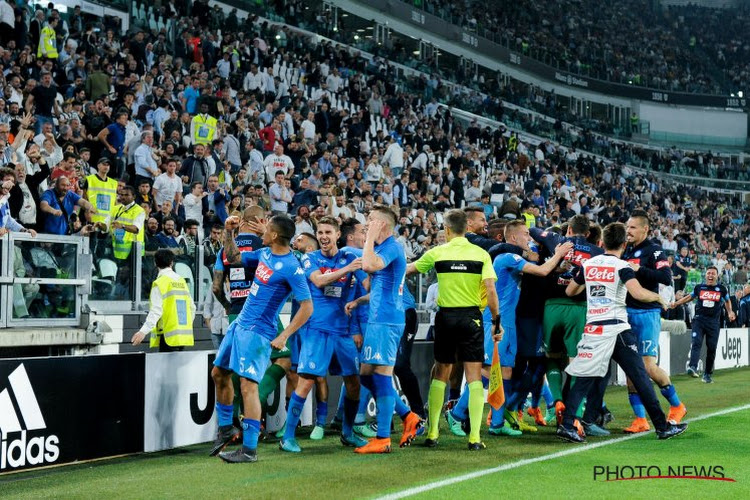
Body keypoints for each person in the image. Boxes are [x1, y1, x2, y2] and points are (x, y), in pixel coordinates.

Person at [558, 222, 688, 442]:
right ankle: (661, 426)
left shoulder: (589, 264)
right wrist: (657, 297)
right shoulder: (622, 266)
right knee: (640, 377)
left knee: (584, 378)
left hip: (594, 327)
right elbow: (637, 293)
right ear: (623, 243)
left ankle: (568, 425)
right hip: (617, 327)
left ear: (602, 243)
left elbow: (571, 290)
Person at [446, 221, 572, 437]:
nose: (529, 239)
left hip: (509, 324)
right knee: (486, 372)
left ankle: (497, 424)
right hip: (495, 321)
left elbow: (542, 267)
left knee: (505, 372)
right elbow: (542, 271)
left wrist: (559, 264)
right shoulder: (507, 258)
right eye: (525, 235)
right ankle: (456, 414)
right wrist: (559, 252)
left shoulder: (516, 258)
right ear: (513, 238)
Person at [210, 214, 312, 464]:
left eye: (266, 229)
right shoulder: (264, 254)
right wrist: (229, 232)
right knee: (218, 373)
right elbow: (234, 259)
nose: (261, 232)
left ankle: (249, 449)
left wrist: (284, 335)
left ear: (275, 235)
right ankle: (226, 429)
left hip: (258, 331)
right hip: (240, 323)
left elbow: (307, 307)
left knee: (248, 386)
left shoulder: (291, 267)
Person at [407, 209, 500, 451]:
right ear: (467, 229)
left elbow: (409, 269)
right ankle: (475, 438)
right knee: (474, 375)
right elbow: (490, 290)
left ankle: (433, 432)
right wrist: (497, 322)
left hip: (446, 317)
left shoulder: (438, 252)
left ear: (447, 229)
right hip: (472, 318)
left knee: (441, 372)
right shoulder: (480, 254)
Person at [280, 216, 370, 453]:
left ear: (338, 234)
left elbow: (367, 284)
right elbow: (319, 281)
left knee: (354, 384)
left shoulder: (350, 256)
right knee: (307, 381)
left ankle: (348, 433)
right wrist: (348, 269)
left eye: (328, 232)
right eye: (320, 232)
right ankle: (287, 436)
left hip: (342, 331)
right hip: (316, 329)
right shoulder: (310, 258)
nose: (323, 237)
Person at [347, 206, 422, 454]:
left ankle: (383, 438)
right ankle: (408, 416)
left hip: (388, 320)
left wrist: (367, 241)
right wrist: (359, 300)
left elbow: (369, 266)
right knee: (367, 375)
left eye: (370, 220)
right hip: (378, 319)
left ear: (382, 224)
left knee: (380, 376)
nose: (367, 224)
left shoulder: (391, 247)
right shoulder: (382, 249)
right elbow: (373, 283)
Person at [621, 210, 686, 433]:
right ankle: (640, 420)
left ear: (644, 229)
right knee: (631, 369)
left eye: (632, 228)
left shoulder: (655, 250)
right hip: (626, 312)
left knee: (647, 367)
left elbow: (666, 278)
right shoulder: (625, 250)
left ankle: (677, 405)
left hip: (647, 314)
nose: (627, 231)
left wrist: (641, 270)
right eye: (627, 227)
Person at [670, 266, 735, 383]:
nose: (710, 275)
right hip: (699, 320)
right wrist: (676, 303)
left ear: (717, 276)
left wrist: (730, 312)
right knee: (696, 342)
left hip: (714, 323)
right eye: (708, 273)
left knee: (711, 349)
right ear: (705, 275)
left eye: (713, 274)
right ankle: (693, 367)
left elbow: (727, 300)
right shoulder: (699, 288)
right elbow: (689, 297)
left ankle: (707, 374)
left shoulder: (722, 289)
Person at [131, 249, 195, 351]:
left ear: (155, 263)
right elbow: (192, 307)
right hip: (183, 336)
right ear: (171, 262)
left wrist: (143, 331)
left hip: (167, 337)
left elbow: (156, 311)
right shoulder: (181, 281)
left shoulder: (160, 283)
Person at [81, 158, 118, 228]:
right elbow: (84, 196)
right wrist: (87, 212)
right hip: (93, 217)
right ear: (98, 166)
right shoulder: (90, 179)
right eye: (104, 164)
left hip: (108, 219)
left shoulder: (114, 183)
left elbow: (114, 201)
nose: (106, 167)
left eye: (108, 165)